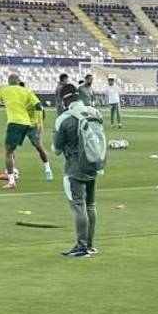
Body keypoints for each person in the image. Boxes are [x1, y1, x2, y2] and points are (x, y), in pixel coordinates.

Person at [53, 83, 104, 258]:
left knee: (78, 205)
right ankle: (89, 244)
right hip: (94, 162)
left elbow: (56, 149)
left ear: (63, 99)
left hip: (75, 167)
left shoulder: (65, 118)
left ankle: (81, 246)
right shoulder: (94, 112)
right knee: (91, 205)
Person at [0, 73, 44, 190]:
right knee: (11, 150)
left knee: (8, 152)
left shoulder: (4, 90)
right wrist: (39, 123)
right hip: (26, 124)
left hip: (14, 123)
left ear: (9, 82)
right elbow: (38, 105)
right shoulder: (26, 91)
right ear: (18, 81)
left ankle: (11, 180)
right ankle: (13, 172)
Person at [18, 81, 54, 182]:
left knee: (39, 146)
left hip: (32, 126)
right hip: (21, 124)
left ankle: (48, 169)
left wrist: (39, 124)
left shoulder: (30, 96)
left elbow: (41, 110)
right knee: (11, 147)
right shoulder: (16, 98)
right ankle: (11, 171)